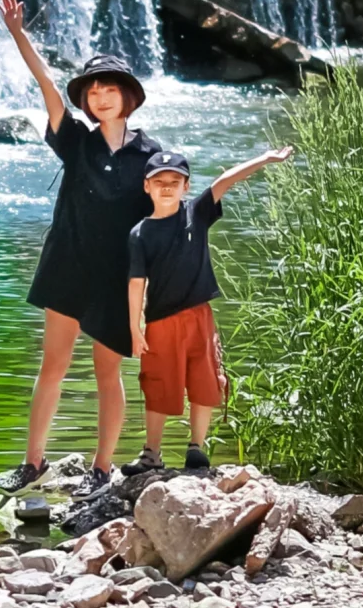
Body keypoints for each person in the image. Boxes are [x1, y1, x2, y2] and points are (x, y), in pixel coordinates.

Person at [0, 0, 161, 498]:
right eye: (92, 92)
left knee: (109, 374)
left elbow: (162, 222)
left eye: (109, 89)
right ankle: (32, 463)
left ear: (127, 96)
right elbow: (46, 84)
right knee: (53, 367)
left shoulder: (152, 156)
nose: (100, 97)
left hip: (114, 278)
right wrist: (19, 33)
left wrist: (149, 291)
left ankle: (103, 467)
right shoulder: (76, 140)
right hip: (66, 265)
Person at [125, 145, 293, 473]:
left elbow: (226, 180)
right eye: (160, 181)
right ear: (147, 186)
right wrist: (134, 326)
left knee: (205, 381)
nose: (168, 187)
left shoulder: (196, 213)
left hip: (199, 317)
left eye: (176, 181)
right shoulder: (140, 233)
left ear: (186, 187)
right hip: (160, 322)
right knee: (157, 384)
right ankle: (151, 453)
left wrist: (265, 158)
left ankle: (196, 448)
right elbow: (135, 282)